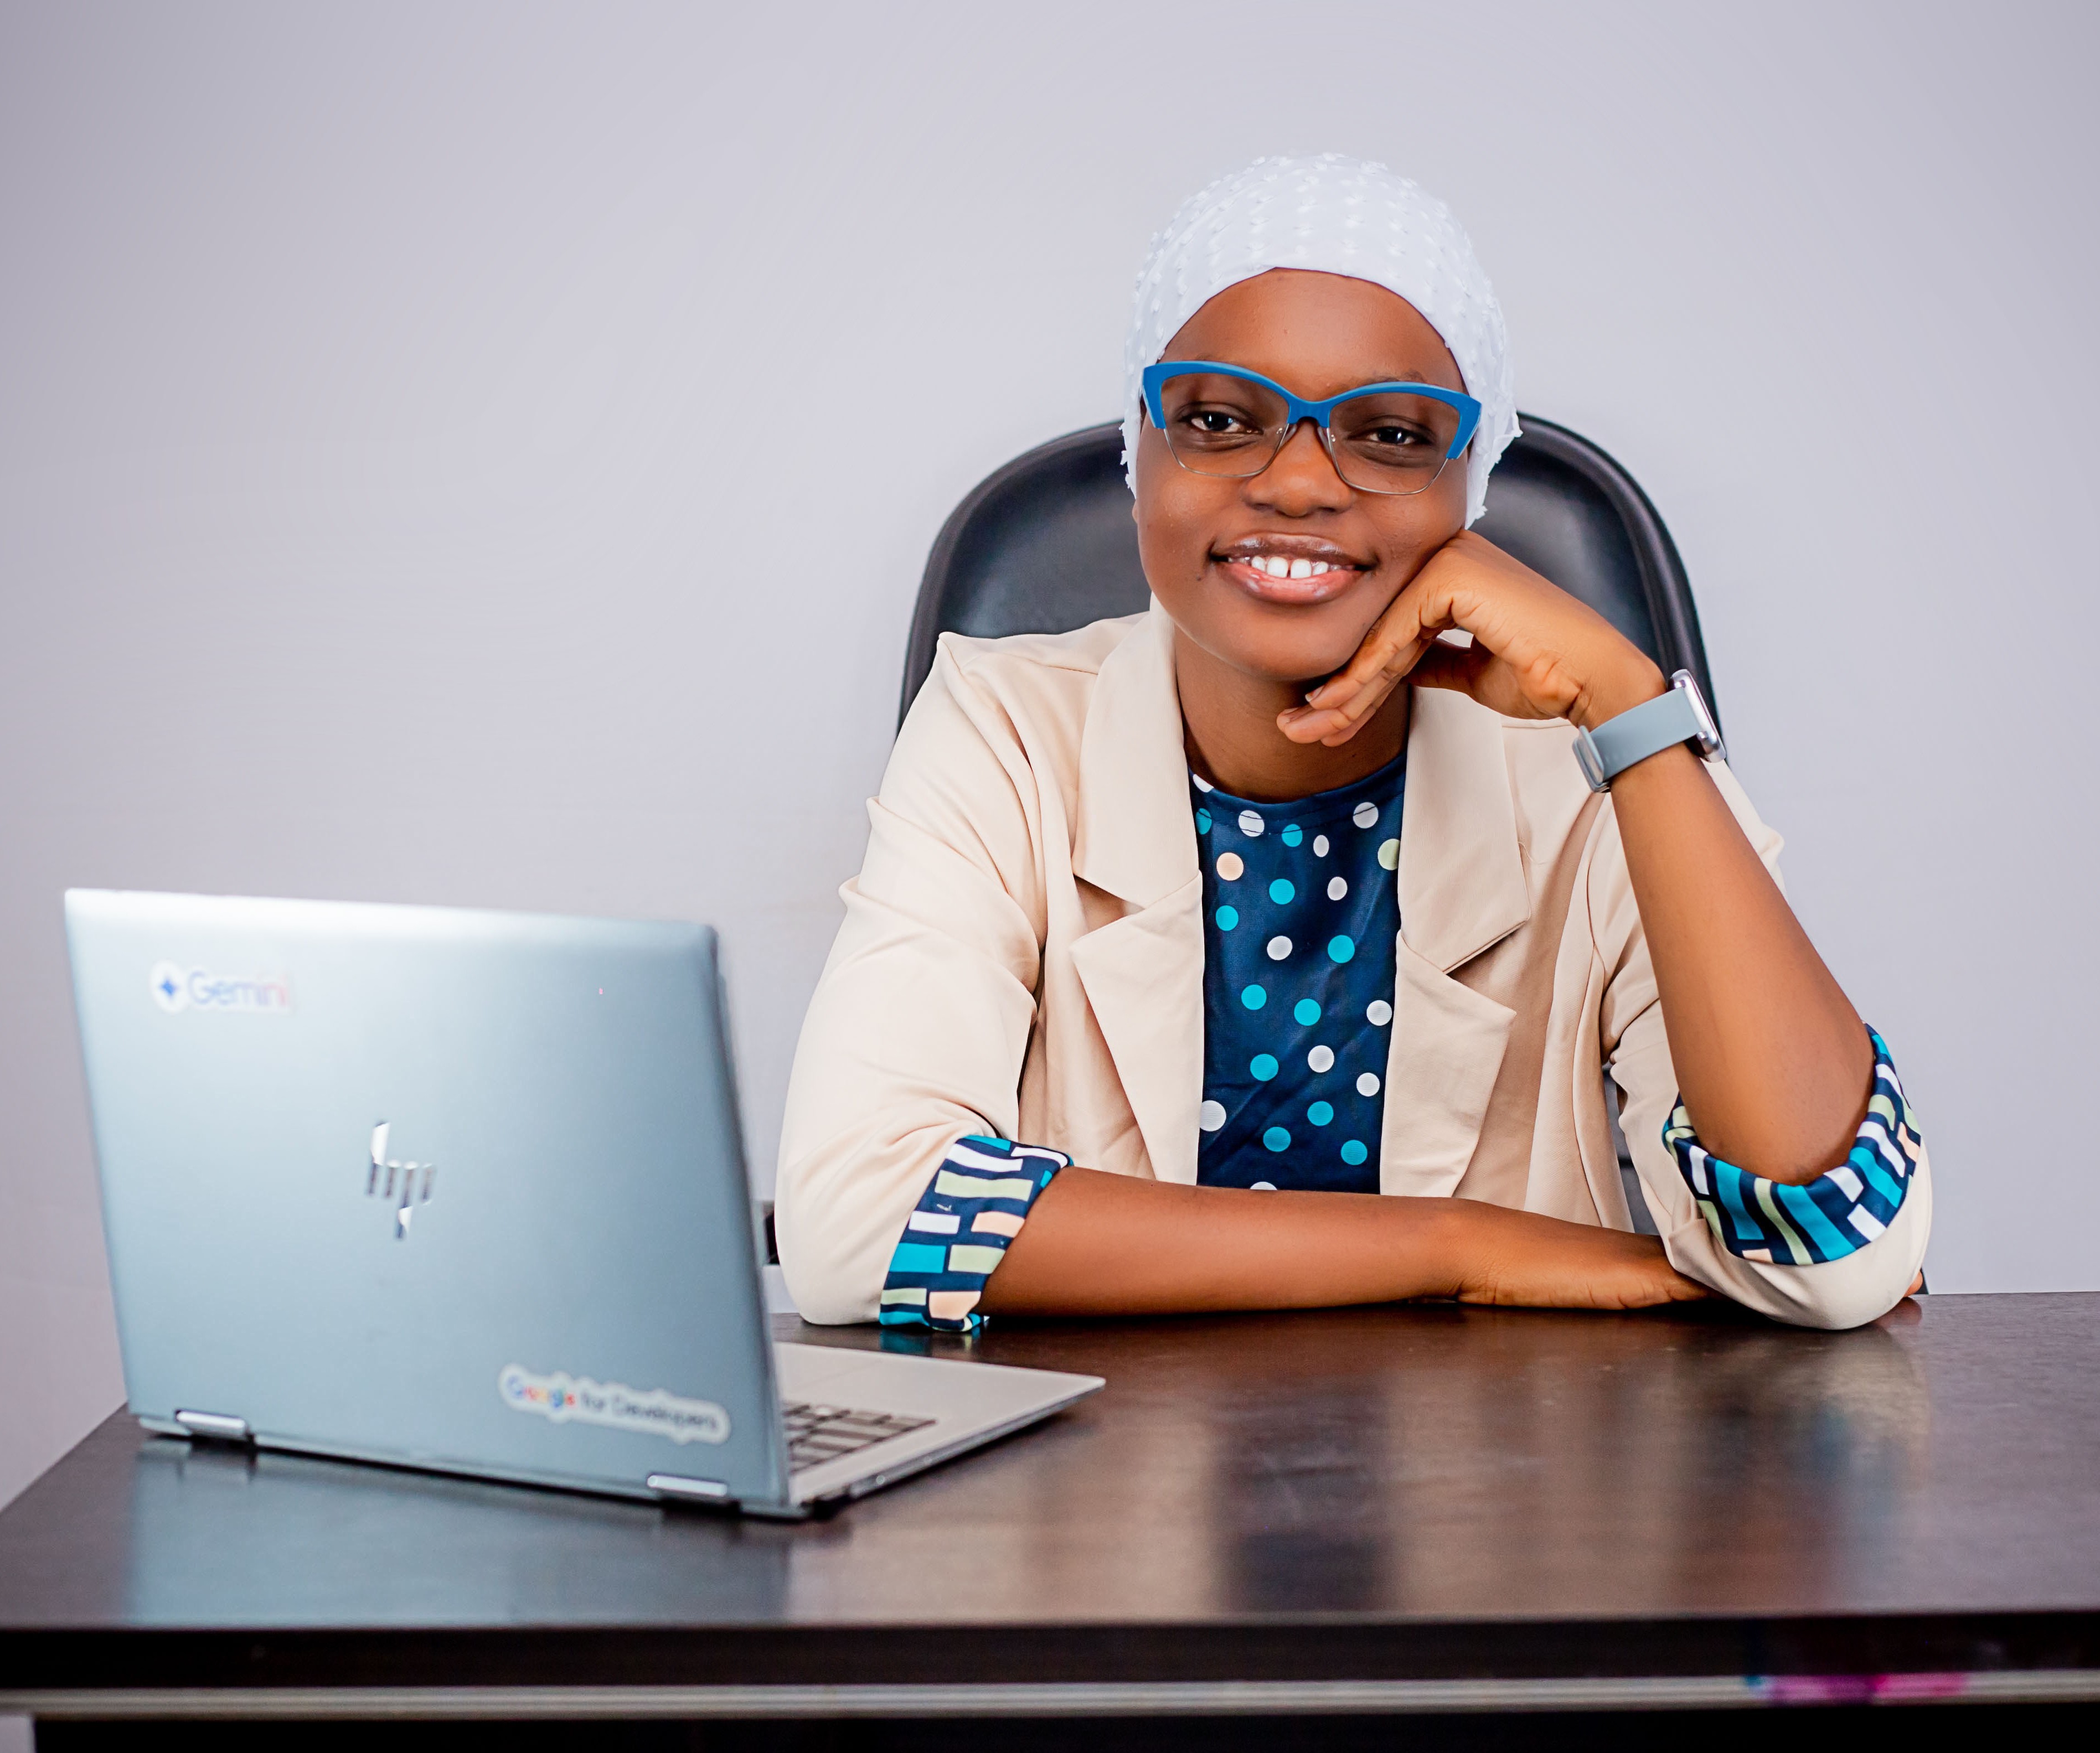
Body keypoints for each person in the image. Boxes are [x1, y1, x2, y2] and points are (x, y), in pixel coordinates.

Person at [776, 154, 1928, 1333]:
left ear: (1466, 493)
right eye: (1219, 420)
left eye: (1385, 434)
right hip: (1096, 1489)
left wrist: (1631, 712)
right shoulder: (1004, 729)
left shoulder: (1594, 770)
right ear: (1142, 458)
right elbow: (856, 1221)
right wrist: (1455, 1246)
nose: (1297, 484)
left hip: (1521, 1496)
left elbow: (1827, 1258)